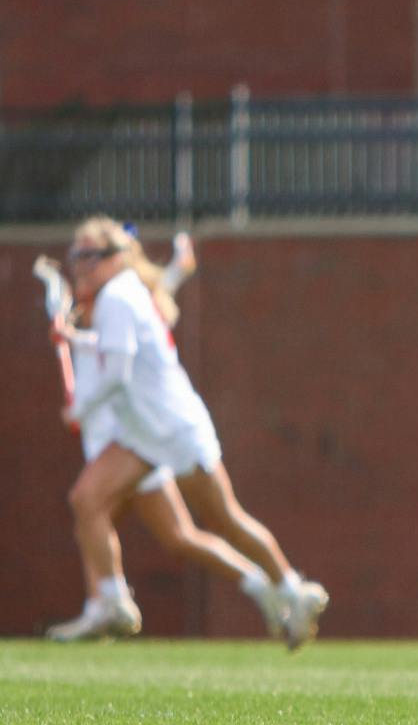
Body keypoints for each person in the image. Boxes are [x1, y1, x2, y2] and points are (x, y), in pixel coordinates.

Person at [52, 217, 329, 650]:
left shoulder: (119, 298)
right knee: (87, 500)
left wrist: (79, 406)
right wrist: (75, 339)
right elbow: (120, 354)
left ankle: (292, 589)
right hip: (141, 432)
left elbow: (119, 374)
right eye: (76, 255)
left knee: (225, 519)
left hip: (175, 428)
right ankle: (110, 601)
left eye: (90, 255)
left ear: (116, 258)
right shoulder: (119, 295)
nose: (80, 264)